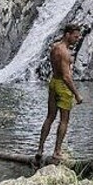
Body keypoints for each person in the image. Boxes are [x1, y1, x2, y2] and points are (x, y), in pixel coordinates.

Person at [35, 24, 84, 164]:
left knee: (50, 117)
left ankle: (40, 149)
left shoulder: (55, 48)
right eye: (75, 36)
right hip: (62, 86)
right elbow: (66, 77)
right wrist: (77, 94)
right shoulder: (64, 52)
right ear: (67, 34)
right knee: (64, 120)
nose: (77, 39)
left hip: (53, 82)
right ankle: (57, 151)